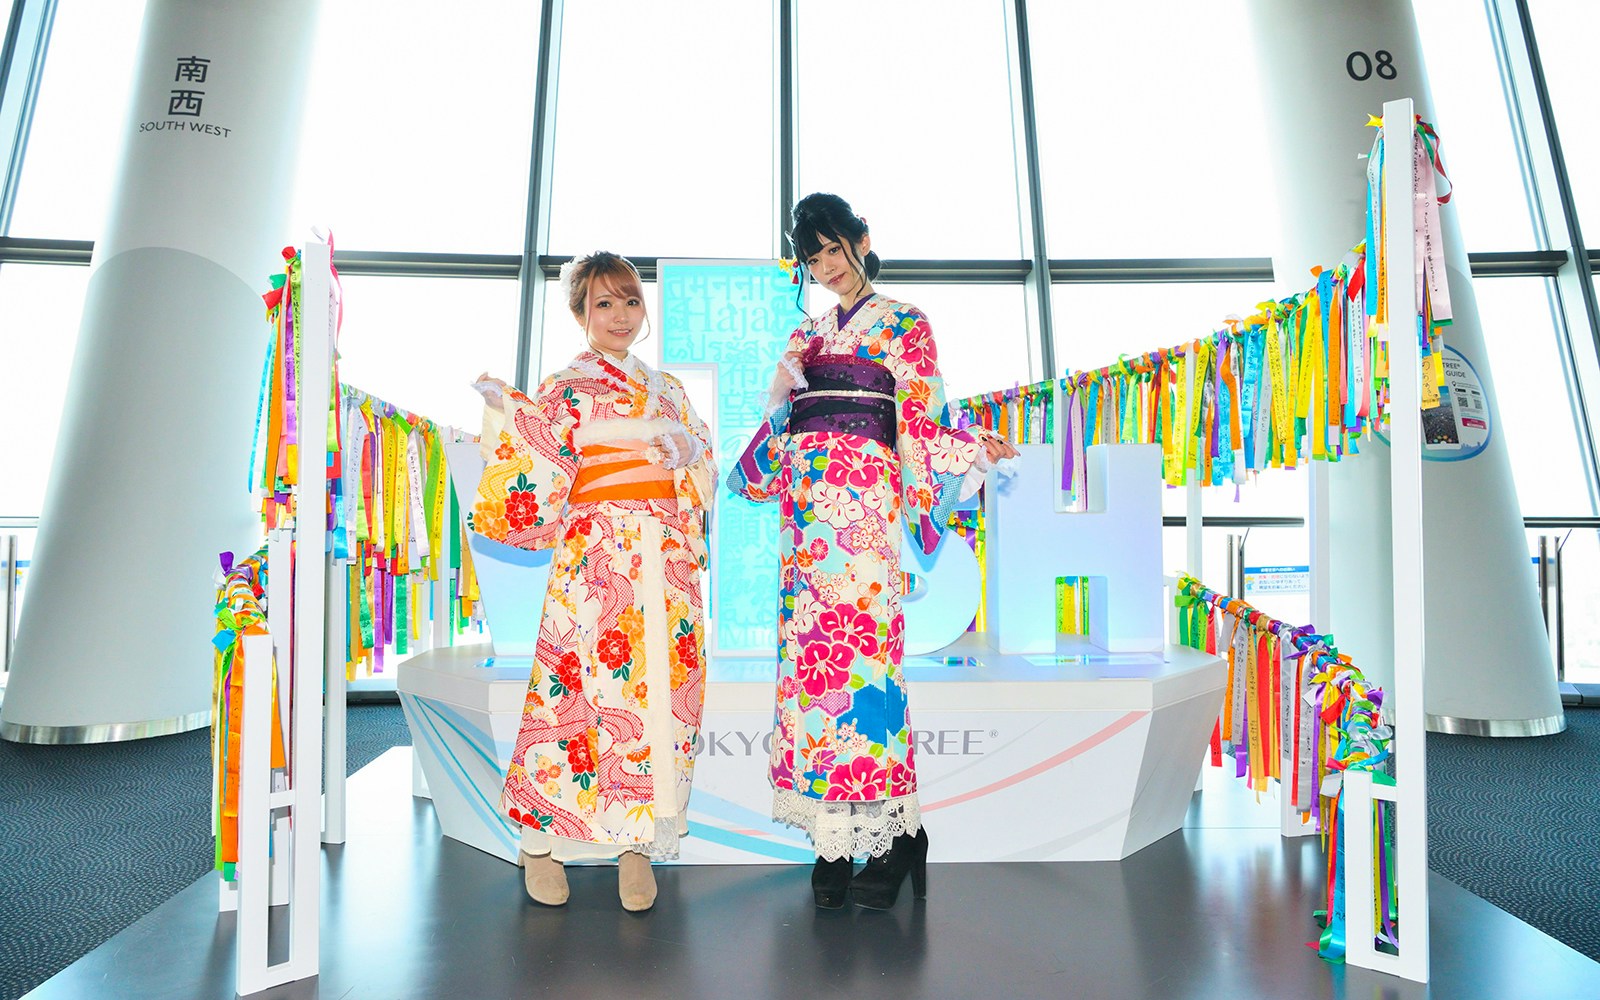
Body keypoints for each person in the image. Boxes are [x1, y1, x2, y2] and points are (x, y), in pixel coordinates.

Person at [727, 193, 1017, 909]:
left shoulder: (905, 323)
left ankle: (893, 838)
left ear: (861, 239)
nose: (827, 267)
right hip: (807, 529)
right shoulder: (805, 339)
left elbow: (919, 418)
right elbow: (778, 435)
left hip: (864, 519)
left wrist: (973, 448)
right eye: (813, 257)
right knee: (810, 678)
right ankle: (831, 842)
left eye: (835, 248)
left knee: (867, 677)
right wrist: (775, 403)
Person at [469, 251, 716, 912]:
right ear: (581, 313)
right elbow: (537, 453)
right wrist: (508, 413)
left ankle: (638, 844)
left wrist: (688, 452)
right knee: (572, 691)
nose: (620, 315)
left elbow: (700, 455)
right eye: (604, 303)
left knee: (660, 697)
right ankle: (539, 842)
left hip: (665, 560)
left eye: (630, 301)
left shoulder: (669, 390)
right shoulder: (566, 386)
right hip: (598, 554)